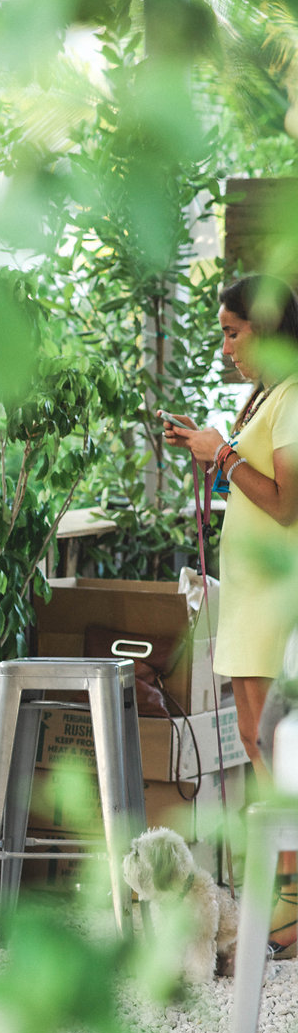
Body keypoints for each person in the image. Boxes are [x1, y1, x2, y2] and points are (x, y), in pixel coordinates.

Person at [160, 273, 298, 955]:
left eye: (233, 332)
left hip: (275, 601)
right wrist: (209, 448)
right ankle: (285, 896)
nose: (226, 347)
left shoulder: (294, 395)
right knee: (257, 744)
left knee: (275, 748)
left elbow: (285, 501)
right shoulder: (266, 396)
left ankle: (292, 902)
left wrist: (225, 452)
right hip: (247, 599)